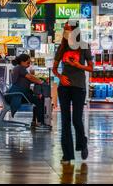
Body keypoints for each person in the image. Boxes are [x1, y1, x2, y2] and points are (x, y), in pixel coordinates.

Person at [53, 21, 93, 164]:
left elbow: (91, 68)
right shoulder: (62, 47)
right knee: (65, 121)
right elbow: (54, 68)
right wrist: (60, 77)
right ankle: (67, 155)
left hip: (79, 87)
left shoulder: (84, 46)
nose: (66, 31)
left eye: (68, 29)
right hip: (64, 87)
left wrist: (79, 65)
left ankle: (82, 142)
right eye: (64, 29)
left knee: (76, 119)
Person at [8, 54, 48, 129]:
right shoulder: (20, 68)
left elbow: (27, 79)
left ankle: (34, 122)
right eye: (28, 62)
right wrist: (41, 82)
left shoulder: (18, 68)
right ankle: (40, 123)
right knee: (39, 101)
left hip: (18, 94)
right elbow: (30, 77)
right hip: (19, 94)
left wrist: (37, 80)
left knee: (36, 100)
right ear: (22, 62)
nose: (29, 64)